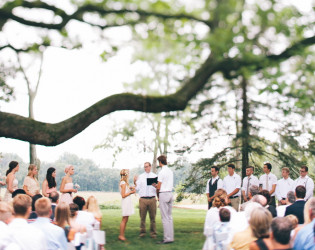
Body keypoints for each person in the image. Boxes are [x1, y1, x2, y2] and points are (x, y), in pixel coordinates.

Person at [154, 155, 174, 244]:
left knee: (165, 217)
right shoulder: (170, 171)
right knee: (169, 217)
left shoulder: (161, 172)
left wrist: (155, 186)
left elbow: (159, 186)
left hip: (164, 194)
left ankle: (167, 238)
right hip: (170, 193)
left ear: (160, 162)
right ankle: (171, 237)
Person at [134, 161, 157, 238]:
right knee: (142, 217)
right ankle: (142, 233)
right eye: (145, 167)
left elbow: (157, 188)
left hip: (152, 199)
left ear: (150, 167)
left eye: (147, 166)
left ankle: (153, 233)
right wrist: (135, 182)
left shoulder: (154, 176)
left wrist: (156, 186)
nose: (146, 168)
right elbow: (137, 188)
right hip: (143, 199)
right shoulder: (141, 176)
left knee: (153, 218)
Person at [118, 169, 136, 241]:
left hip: (127, 201)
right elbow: (123, 195)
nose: (129, 175)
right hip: (125, 201)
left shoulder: (125, 183)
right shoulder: (123, 183)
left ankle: (122, 234)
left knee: (126, 219)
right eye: (128, 174)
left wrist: (132, 186)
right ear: (126, 175)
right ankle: (121, 235)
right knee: (124, 219)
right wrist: (131, 193)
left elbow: (127, 190)